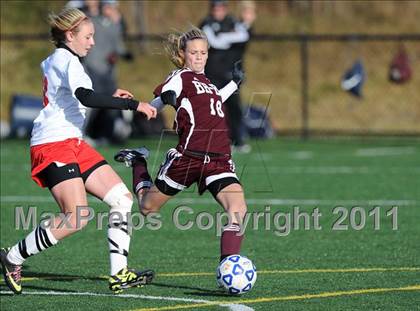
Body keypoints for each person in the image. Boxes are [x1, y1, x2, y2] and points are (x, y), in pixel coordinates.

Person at [0, 8, 156, 295]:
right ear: (70, 35)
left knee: (122, 199)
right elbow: (85, 96)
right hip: (52, 144)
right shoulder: (65, 59)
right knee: (77, 216)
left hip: (73, 142)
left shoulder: (64, 59)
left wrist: (112, 97)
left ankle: (119, 273)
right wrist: (133, 105)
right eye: (88, 36)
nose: (93, 42)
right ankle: (12, 258)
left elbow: (79, 97)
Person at [113, 27, 248, 269]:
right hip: (189, 157)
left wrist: (234, 84)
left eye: (203, 52)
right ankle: (138, 162)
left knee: (238, 209)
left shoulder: (206, 82)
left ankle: (228, 267)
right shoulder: (180, 77)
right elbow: (167, 94)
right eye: (194, 52)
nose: (199, 57)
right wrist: (168, 99)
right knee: (147, 208)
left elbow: (215, 98)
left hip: (218, 158)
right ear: (183, 54)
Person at [200, 0, 256, 153]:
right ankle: (203, 142)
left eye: (221, 7)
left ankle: (237, 140)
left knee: (234, 108)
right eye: (216, 7)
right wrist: (229, 37)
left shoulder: (232, 21)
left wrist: (226, 36)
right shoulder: (206, 23)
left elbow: (243, 35)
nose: (219, 10)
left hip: (229, 75)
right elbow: (215, 42)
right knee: (208, 108)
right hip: (211, 74)